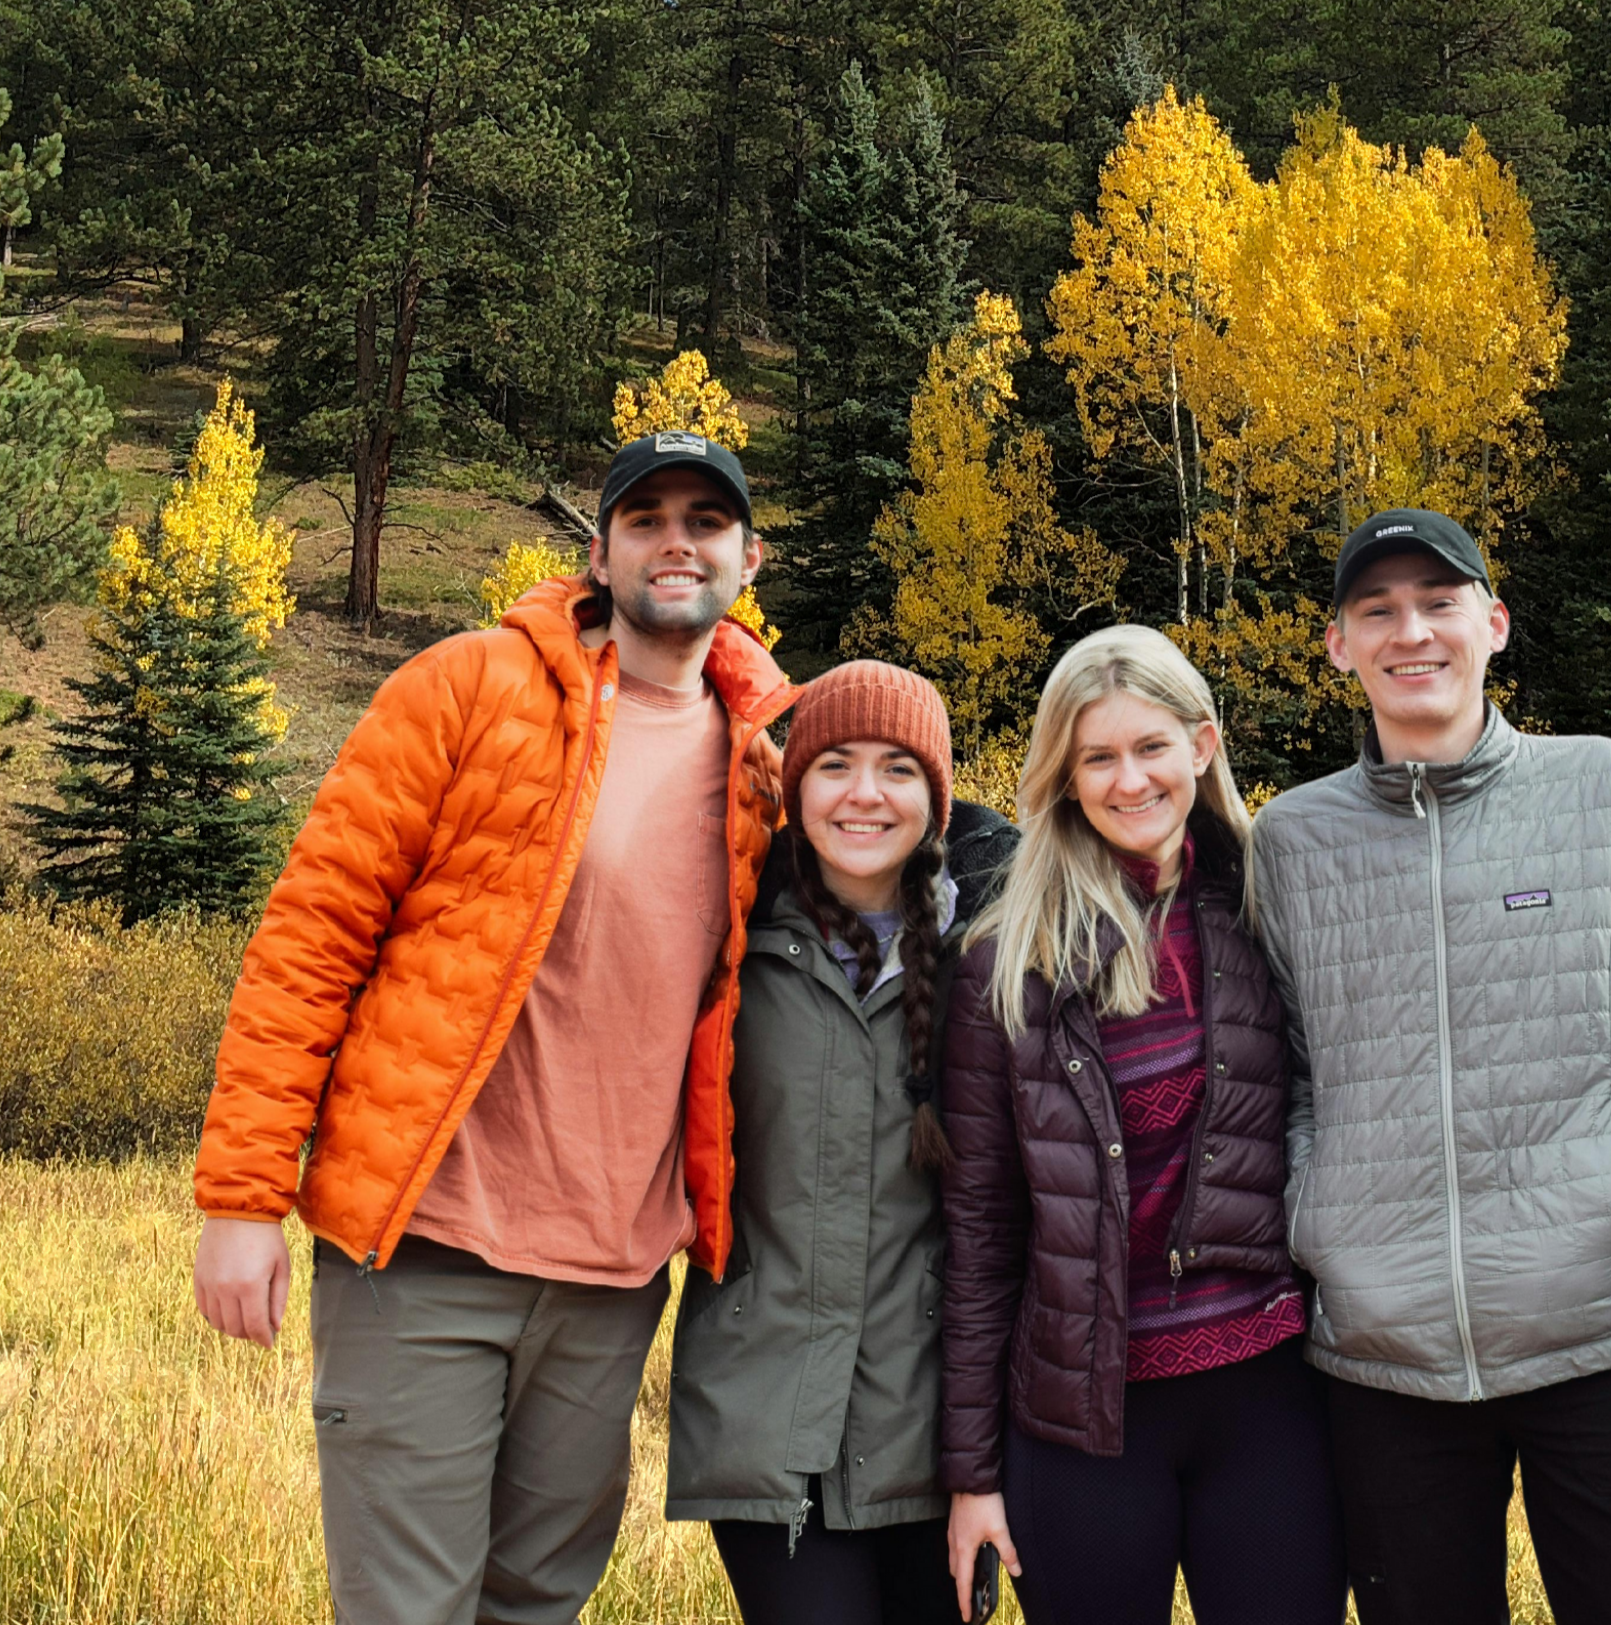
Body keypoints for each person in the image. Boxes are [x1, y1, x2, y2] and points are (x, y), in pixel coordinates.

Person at [190, 431, 791, 1625]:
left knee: (536, 1602)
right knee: (409, 1607)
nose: (677, 540)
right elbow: (313, 934)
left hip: (613, 1276)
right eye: (647, 516)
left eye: (705, 520)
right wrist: (241, 1198)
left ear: (748, 555)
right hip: (426, 1247)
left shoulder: (766, 759)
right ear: (598, 547)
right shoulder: (470, 686)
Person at [1245, 508, 1611, 1625]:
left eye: (1436, 602)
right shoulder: (1288, 840)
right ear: (1336, 645)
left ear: (1493, 622)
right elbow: (1274, 1067)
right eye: (1375, 610)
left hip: (1603, 1335)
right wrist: (1318, 1219)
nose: (1408, 631)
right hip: (1384, 1363)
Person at [938, 625, 1345, 1625]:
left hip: (1267, 1396)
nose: (1129, 780)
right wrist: (970, 1476)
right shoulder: (1005, 964)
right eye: (1097, 756)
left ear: (1200, 745)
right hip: (1079, 1421)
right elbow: (980, 1233)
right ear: (1061, 776)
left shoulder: (1268, 908)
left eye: (1151, 746)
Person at [665, 659, 1018, 1625]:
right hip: (767, 1414)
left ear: (937, 797)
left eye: (899, 768)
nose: (865, 795)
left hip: (941, 1431)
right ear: (796, 786)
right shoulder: (730, 943)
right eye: (837, 766)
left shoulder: (997, 955)